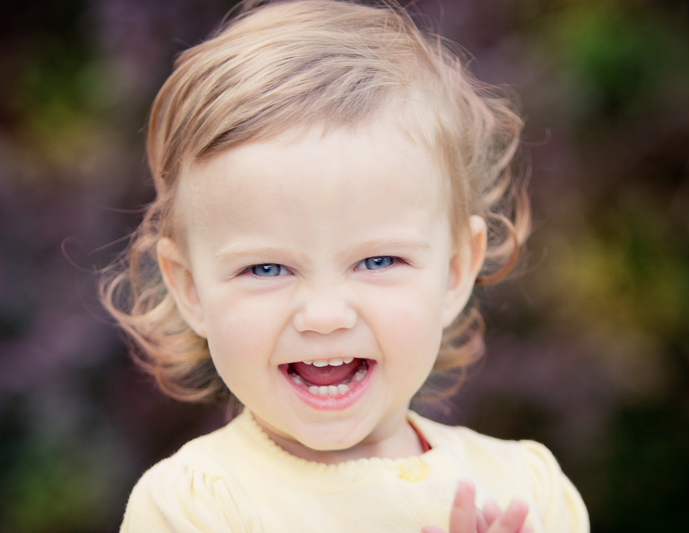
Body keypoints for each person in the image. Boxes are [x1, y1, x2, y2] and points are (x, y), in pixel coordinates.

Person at [102, 0, 590, 531]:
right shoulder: (195, 505)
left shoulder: (526, 491)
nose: (324, 316)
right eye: (266, 269)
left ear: (454, 272)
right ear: (190, 289)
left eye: (377, 260)